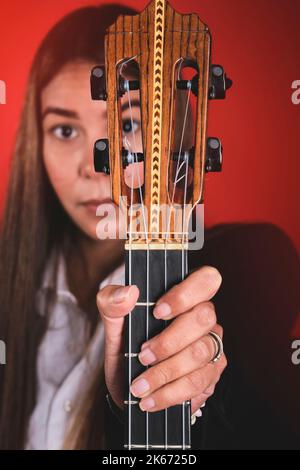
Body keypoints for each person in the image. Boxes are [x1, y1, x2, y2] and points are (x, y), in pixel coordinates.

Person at [0, 4, 299, 451]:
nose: (94, 164)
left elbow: (264, 422)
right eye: (64, 130)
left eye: (128, 123)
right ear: (34, 145)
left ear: (177, 131)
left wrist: (197, 384)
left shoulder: (248, 266)